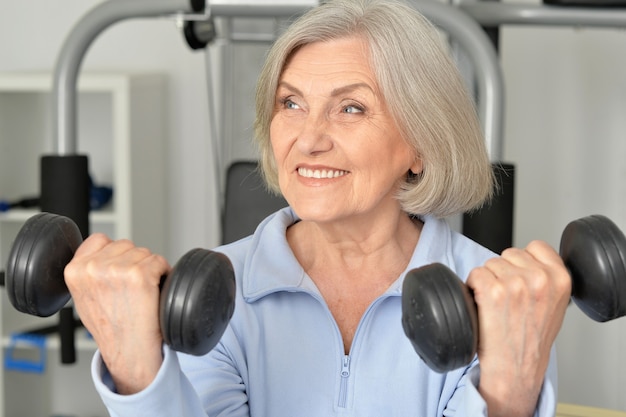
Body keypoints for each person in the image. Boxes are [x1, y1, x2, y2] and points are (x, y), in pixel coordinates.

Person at [64, 0, 572, 415]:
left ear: (421, 143)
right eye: (291, 103)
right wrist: (135, 366)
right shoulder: (217, 293)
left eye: (351, 108)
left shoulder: (500, 300)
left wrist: (512, 385)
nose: (308, 140)